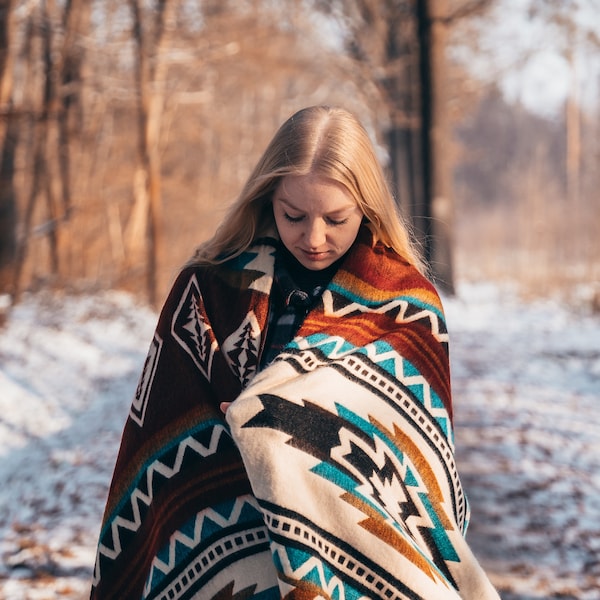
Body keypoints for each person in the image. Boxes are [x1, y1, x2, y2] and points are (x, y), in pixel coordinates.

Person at [91, 105, 499, 599]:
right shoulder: (207, 289)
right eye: (294, 215)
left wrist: (274, 423)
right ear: (268, 199)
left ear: (367, 207)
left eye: (336, 218)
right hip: (219, 561)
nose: (314, 237)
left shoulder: (406, 308)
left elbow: (416, 475)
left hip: (356, 571)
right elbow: (160, 445)